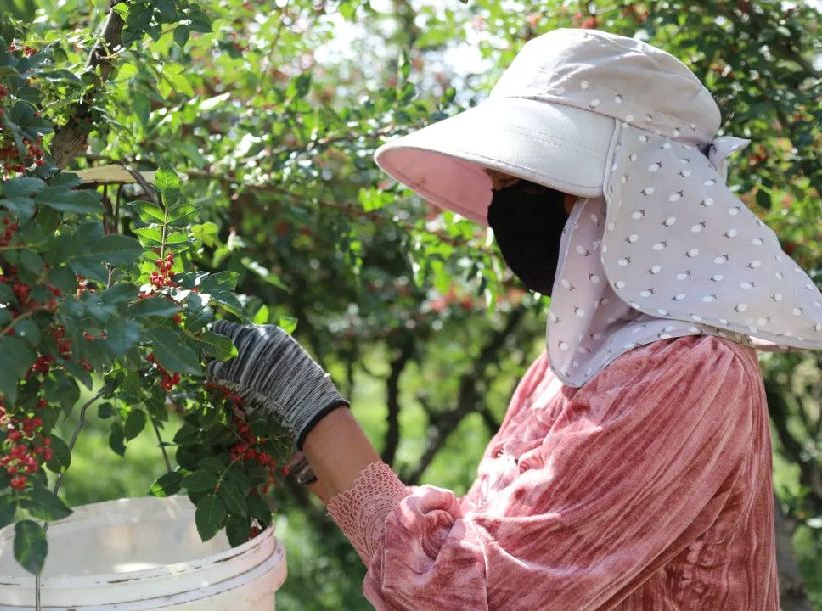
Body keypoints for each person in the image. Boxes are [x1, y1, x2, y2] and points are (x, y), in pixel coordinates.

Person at [206, 29, 822, 609]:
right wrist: (307, 438)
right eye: (500, 185)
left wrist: (305, 402)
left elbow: (479, 597)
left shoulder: (687, 375)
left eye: (525, 184)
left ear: (636, 199)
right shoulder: (574, 364)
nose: (504, 214)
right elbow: (466, 556)